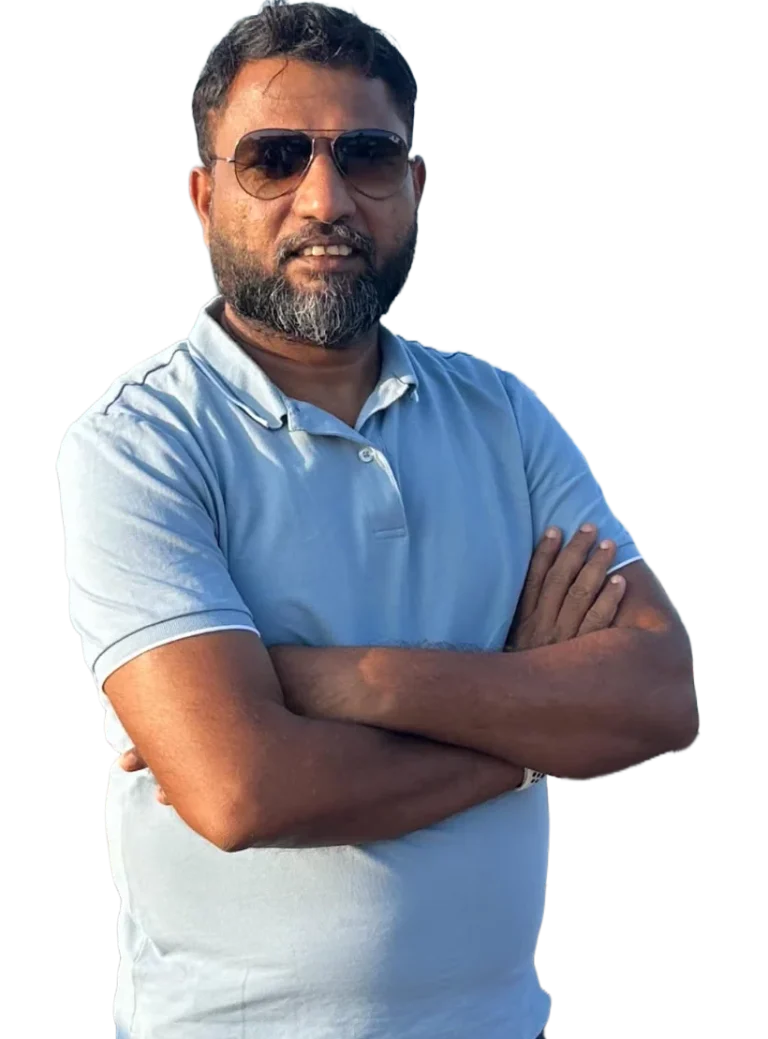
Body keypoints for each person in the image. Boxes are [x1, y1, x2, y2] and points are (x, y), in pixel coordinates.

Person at [56, 3, 699, 1037]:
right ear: (203, 195)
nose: (327, 199)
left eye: (367, 156)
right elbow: (241, 790)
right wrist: (527, 728)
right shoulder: (139, 444)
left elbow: (657, 698)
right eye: (274, 159)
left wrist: (326, 679)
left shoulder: (502, 415)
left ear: (416, 185)